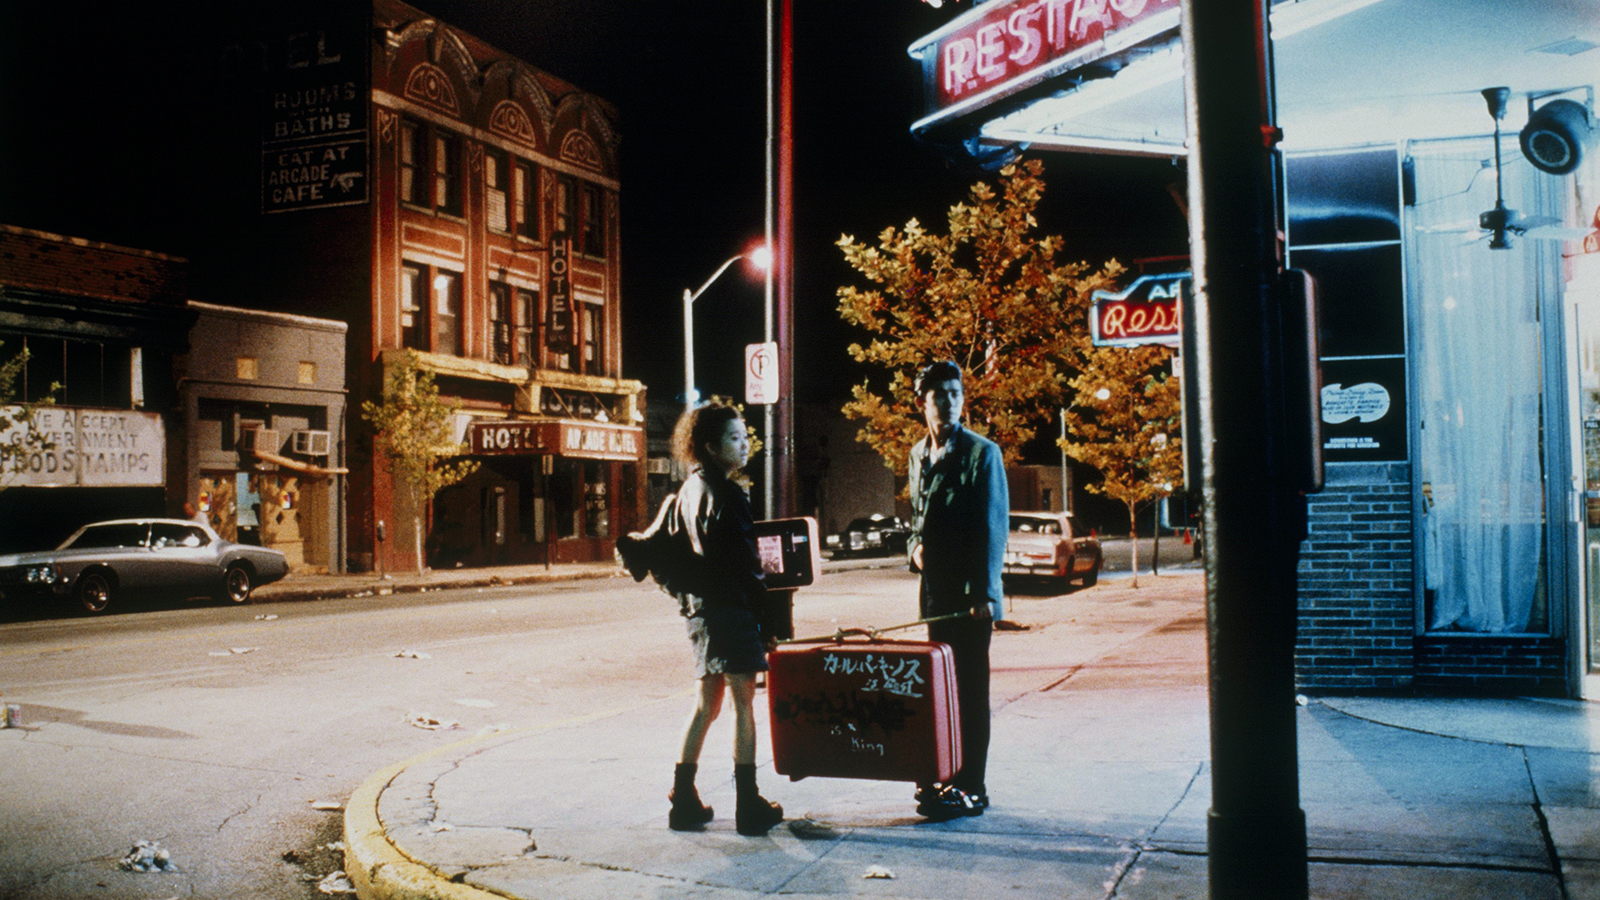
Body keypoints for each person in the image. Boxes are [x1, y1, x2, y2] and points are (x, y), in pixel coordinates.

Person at [662, 402, 784, 836]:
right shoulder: (729, 496)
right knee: (742, 706)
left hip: (700, 612)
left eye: (745, 436)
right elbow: (748, 568)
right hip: (730, 610)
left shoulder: (687, 492)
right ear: (711, 447)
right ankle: (748, 804)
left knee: (706, 706)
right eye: (734, 438)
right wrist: (767, 624)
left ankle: (683, 798)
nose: (744, 444)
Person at [906, 360, 1009, 820]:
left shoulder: (981, 453)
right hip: (934, 595)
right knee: (939, 688)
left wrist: (986, 595)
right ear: (921, 403)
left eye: (954, 392)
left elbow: (993, 529)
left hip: (969, 599)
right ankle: (943, 776)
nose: (947, 401)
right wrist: (914, 551)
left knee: (969, 689)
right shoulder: (917, 455)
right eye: (937, 394)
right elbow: (915, 521)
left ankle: (972, 786)